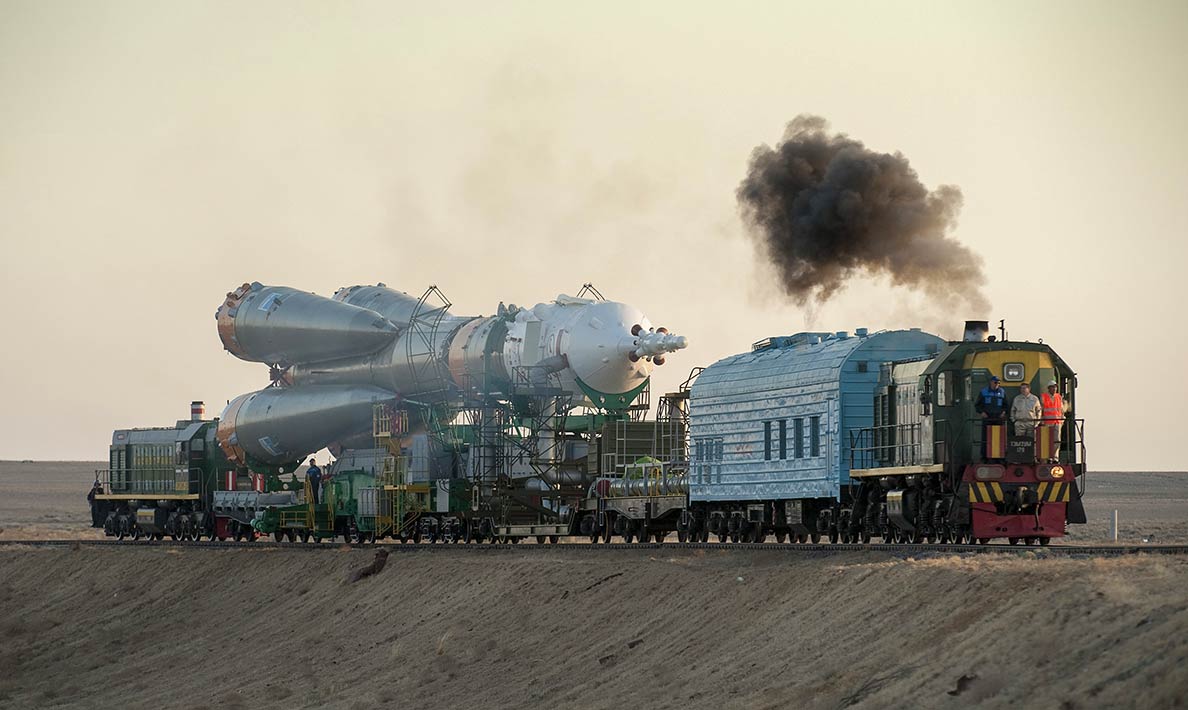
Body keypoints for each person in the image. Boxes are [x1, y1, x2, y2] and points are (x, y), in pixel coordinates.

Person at [975, 376, 1007, 461]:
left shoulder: (1002, 392)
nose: (997, 384)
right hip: (987, 417)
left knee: (999, 437)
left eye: (999, 383)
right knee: (986, 437)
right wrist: (982, 412)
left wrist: (1003, 412)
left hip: (998, 418)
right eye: (996, 382)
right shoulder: (984, 392)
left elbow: (1005, 404)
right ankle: (985, 456)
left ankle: (999, 457)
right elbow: (977, 405)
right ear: (991, 382)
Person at [1042, 379, 1066, 462]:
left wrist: (1062, 420)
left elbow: (1061, 410)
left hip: (1057, 422)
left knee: (1057, 441)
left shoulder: (1059, 397)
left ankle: (1055, 458)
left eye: (1055, 387)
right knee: (1047, 441)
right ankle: (1048, 458)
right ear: (1048, 388)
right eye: (1052, 387)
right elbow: (1041, 409)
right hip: (1047, 422)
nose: (1054, 388)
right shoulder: (1043, 397)